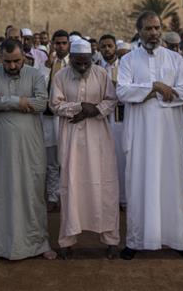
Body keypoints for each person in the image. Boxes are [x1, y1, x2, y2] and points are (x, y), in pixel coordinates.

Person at [117, 12, 183, 260]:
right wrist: (156, 87)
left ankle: (178, 240)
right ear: (139, 31)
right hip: (140, 134)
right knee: (139, 182)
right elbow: (122, 92)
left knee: (173, 183)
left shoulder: (175, 59)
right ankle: (136, 240)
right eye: (149, 28)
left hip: (169, 134)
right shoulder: (128, 60)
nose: (154, 33)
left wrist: (152, 91)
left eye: (157, 28)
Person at [0, 38, 56, 260]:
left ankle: (38, 243)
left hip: (29, 147)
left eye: (17, 61)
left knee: (31, 192)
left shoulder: (35, 74)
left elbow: (41, 103)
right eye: (8, 62)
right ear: (0, 58)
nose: (12, 66)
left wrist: (4, 101)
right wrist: (18, 101)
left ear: (24, 57)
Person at [51, 37, 119, 259]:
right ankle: (67, 241)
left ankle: (110, 240)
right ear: (71, 59)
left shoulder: (101, 74)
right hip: (71, 137)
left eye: (85, 62)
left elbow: (111, 100)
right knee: (71, 186)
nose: (82, 67)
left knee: (105, 187)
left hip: (98, 137)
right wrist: (81, 107)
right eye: (77, 63)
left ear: (92, 58)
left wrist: (95, 110)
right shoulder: (61, 75)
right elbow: (55, 104)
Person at [41, 29, 71, 212]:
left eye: (63, 43)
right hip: (48, 118)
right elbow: (40, 86)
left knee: (67, 160)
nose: (60, 46)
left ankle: (67, 196)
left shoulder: (74, 64)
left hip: (67, 117)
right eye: (57, 43)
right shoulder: (45, 64)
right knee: (51, 161)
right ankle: (52, 196)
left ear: (68, 45)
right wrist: (47, 66)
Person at [98, 34, 126, 207]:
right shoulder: (95, 69)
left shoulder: (125, 67)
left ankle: (123, 199)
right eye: (103, 47)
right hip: (102, 120)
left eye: (109, 46)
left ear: (115, 47)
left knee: (122, 161)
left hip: (121, 120)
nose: (107, 49)